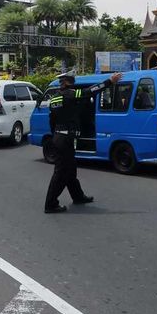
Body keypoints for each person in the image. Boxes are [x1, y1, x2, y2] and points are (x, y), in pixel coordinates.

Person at [44, 71, 123, 214]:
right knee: (61, 172)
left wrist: (55, 136)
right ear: (68, 82)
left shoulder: (54, 99)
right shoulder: (70, 94)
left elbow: (52, 121)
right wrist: (110, 81)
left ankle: (78, 196)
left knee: (70, 170)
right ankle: (50, 204)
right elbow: (90, 92)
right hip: (65, 139)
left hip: (59, 137)